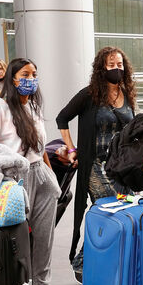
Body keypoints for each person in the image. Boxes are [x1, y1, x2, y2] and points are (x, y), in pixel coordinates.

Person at [0, 58, 67, 285]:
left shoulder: (33, 108)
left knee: (44, 239)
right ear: (12, 79)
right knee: (16, 239)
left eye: (35, 74)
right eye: (25, 74)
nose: (31, 79)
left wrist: (49, 173)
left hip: (40, 174)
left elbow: (38, 146)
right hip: (14, 179)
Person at [57, 46, 137, 269]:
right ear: (102, 68)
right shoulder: (89, 94)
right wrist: (72, 150)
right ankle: (82, 263)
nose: (116, 69)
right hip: (95, 164)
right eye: (111, 65)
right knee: (109, 209)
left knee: (123, 211)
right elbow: (62, 118)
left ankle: (105, 262)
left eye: (119, 65)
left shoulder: (127, 93)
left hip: (121, 166)